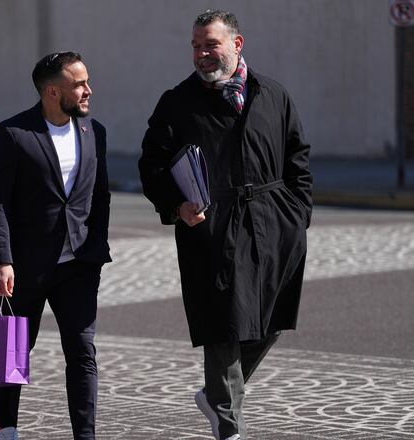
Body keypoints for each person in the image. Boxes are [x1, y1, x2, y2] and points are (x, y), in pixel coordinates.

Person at [138, 10, 312, 440]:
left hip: (274, 222)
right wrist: (178, 206)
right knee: (224, 322)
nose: (201, 54)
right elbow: (151, 165)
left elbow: (298, 157)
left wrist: (297, 213)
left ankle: (217, 394)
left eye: (210, 44)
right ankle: (227, 419)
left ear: (237, 44)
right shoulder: (177, 102)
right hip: (212, 225)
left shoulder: (273, 94)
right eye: (196, 45)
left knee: (270, 318)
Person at [0, 52, 111, 440]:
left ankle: (85, 435)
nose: (88, 90)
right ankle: (7, 428)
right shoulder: (13, 134)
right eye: (79, 84)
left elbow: (100, 195)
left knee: (82, 352)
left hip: (79, 264)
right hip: (27, 265)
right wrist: (2, 260)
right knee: (14, 348)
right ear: (53, 91)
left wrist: (96, 247)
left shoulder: (94, 131)